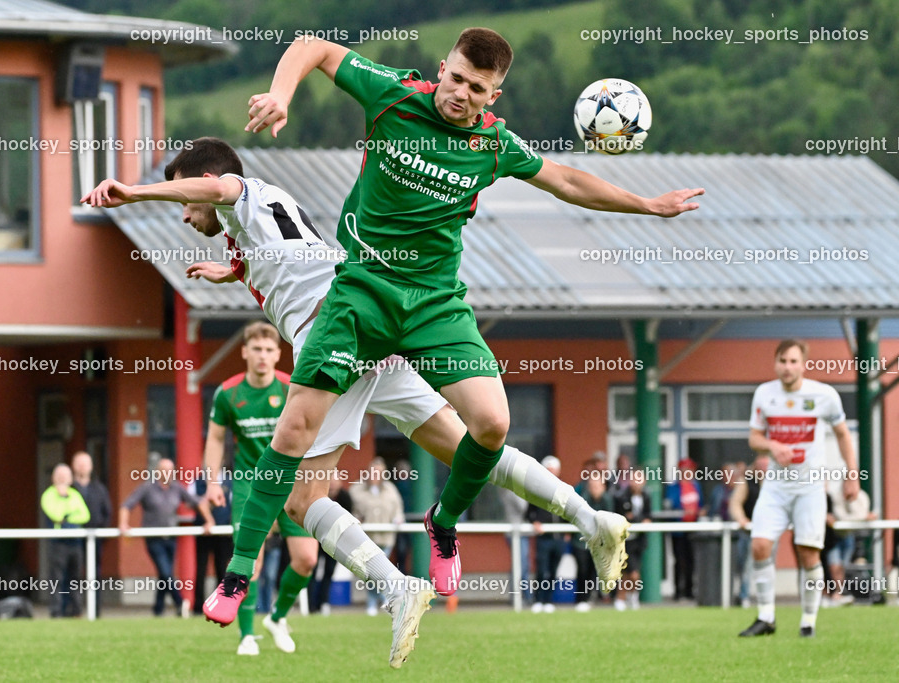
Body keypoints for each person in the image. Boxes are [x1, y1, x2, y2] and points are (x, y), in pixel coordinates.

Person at [83, 136, 632, 668]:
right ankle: (589, 516)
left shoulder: (237, 192)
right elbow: (292, 255)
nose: (184, 213)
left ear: (204, 181)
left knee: (301, 501)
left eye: (184, 195)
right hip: (368, 329)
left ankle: (395, 589)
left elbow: (218, 192)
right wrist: (235, 268)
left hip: (337, 337)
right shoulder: (260, 216)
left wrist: (133, 193)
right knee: (469, 451)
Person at [219, 26, 700, 621]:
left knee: (492, 423)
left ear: (493, 95)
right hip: (362, 295)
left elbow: (569, 181)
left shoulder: (495, 144)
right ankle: (242, 578)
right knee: (295, 442)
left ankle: (442, 522)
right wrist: (281, 94)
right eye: (456, 79)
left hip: (434, 304)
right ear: (440, 68)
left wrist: (648, 205)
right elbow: (312, 45)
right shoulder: (394, 95)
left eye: (478, 88)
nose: (462, 94)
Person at [203, 320, 318, 655]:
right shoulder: (228, 393)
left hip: (292, 482)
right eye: (256, 349)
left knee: (307, 559)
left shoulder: (290, 388)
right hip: (247, 486)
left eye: (269, 350)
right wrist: (212, 482)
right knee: (250, 561)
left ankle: (278, 617)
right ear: (245, 352)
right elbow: (214, 438)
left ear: (278, 353)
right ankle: (246, 636)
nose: (263, 356)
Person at [739, 339, 859, 638]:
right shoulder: (764, 394)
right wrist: (772, 445)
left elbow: (843, 434)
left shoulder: (824, 395)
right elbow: (754, 438)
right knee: (760, 545)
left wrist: (852, 475)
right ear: (775, 363)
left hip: (809, 488)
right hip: (775, 487)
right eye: (782, 360)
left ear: (804, 364)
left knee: (808, 554)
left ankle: (808, 622)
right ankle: (766, 617)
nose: (787, 367)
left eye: (793, 361)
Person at [118, 458, 216, 618]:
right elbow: (126, 505)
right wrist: (123, 524)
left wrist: (209, 520)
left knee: (165, 574)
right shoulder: (147, 488)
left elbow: (197, 503)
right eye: (164, 470)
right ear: (157, 471)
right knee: (165, 571)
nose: (167, 473)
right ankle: (180, 602)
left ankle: (158, 609)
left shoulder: (177, 488)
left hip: (171, 537)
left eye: (170, 470)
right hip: (153, 538)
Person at [349, 457, 405, 616]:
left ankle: (382, 601)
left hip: (386, 538)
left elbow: (398, 509)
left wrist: (398, 519)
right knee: (373, 574)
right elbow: (351, 511)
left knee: (380, 573)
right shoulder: (356, 489)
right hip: (366, 539)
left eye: (379, 472)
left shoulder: (391, 489)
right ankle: (380, 601)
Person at [40, 463, 91, 618]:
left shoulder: (75, 494)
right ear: (53, 479)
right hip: (58, 543)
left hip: (75, 542)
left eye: (65, 476)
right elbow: (56, 515)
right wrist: (68, 509)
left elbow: (85, 515)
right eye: (59, 476)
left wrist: (66, 517)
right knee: (57, 578)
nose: (62, 479)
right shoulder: (48, 495)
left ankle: (75, 610)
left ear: (70, 479)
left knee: (75, 578)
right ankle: (56, 611)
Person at [71, 451, 111, 615]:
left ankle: (95, 610)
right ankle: (73, 610)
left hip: (94, 539)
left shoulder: (99, 489)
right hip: (72, 539)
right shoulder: (69, 488)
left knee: (94, 575)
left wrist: (102, 532)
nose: (82, 467)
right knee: (72, 575)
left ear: (91, 466)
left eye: (85, 464)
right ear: (74, 466)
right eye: (79, 463)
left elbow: (107, 512)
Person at [729, 453, 770, 608]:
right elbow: (735, 503)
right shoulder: (746, 481)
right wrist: (741, 519)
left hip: (768, 532)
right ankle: (744, 596)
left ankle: (765, 598)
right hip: (748, 531)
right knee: (745, 566)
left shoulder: (775, 482)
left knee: (766, 565)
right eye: (761, 465)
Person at [308, 473, 352, 615]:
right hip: (316, 538)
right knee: (313, 572)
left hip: (334, 540)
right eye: (330, 480)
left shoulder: (345, 498)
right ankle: (311, 605)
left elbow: (347, 518)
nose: (332, 483)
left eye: (335, 480)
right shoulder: (318, 495)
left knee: (329, 571)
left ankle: (324, 602)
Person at [190, 471, 232, 617]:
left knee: (222, 569)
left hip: (223, 533)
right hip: (203, 532)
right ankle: (197, 607)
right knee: (200, 569)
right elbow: (193, 502)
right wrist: (208, 518)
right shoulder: (196, 482)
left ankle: (221, 605)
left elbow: (234, 504)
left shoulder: (230, 481)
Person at [526, 456, 564, 613]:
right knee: (542, 570)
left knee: (554, 570)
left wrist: (567, 531)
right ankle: (538, 600)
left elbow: (568, 512)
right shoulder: (536, 491)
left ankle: (549, 600)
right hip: (544, 538)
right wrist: (535, 522)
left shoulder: (564, 489)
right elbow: (529, 513)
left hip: (559, 537)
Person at [665, 458, 704, 601]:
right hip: (678, 529)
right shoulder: (674, 487)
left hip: (692, 528)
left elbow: (700, 504)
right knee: (679, 560)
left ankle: (689, 590)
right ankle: (678, 591)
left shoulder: (696, 486)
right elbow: (670, 504)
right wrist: (682, 510)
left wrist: (700, 511)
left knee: (691, 560)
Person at [574, 476, 614, 612]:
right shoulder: (582, 500)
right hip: (582, 541)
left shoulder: (608, 500)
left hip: (600, 543)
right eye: (591, 486)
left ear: (603, 486)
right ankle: (581, 599)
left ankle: (597, 597)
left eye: (597, 486)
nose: (594, 489)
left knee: (596, 571)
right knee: (583, 570)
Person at [614, 468, 651, 611]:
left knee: (634, 573)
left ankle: (632, 595)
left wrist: (640, 519)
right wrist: (638, 519)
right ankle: (621, 598)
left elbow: (648, 515)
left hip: (639, 540)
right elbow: (623, 516)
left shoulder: (646, 497)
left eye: (640, 479)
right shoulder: (621, 497)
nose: (637, 483)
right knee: (625, 571)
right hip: (624, 540)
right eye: (635, 479)